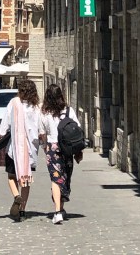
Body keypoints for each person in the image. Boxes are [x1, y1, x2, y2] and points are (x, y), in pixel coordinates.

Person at [0, 78, 41, 221]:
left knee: (11, 176)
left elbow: (5, 123)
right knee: (26, 180)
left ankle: (16, 196)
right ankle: (22, 211)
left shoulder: (14, 103)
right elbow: (40, 127)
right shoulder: (36, 108)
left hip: (14, 149)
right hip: (30, 150)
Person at [39, 83, 82, 225]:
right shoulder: (69, 111)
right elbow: (77, 130)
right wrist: (78, 151)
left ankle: (58, 211)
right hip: (67, 149)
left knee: (56, 179)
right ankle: (59, 209)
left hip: (53, 148)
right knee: (64, 178)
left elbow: (42, 133)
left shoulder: (44, 113)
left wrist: (44, 147)